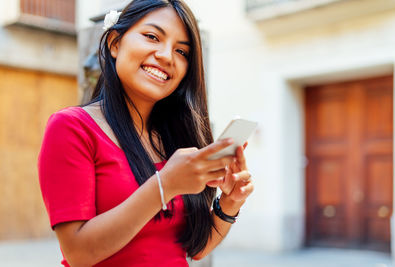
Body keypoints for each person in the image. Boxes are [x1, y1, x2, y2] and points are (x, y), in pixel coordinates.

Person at [38, 0, 254, 266]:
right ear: (115, 43)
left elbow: (193, 249)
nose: (166, 56)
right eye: (152, 37)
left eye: (181, 51)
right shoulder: (72, 128)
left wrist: (230, 203)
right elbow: (79, 253)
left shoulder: (176, 137)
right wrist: (165, 185)